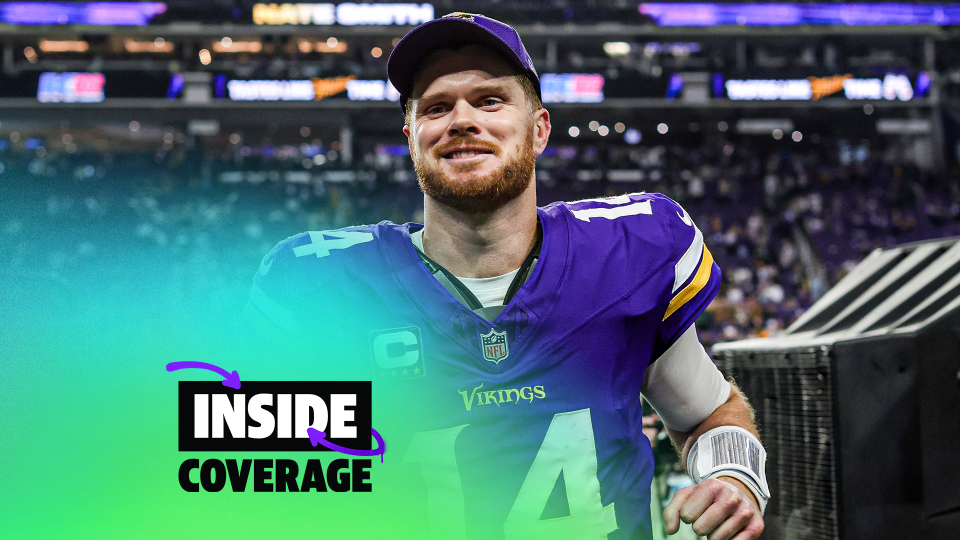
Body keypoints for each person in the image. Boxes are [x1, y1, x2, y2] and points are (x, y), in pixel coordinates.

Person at [247, 12, 768, 540]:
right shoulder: (321, 287)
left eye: (489, 101)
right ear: (412, 138)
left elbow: (709, 412)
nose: (462, 120)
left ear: (539, 129)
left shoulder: (628, 257)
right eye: (437, 107)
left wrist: (733, 474)